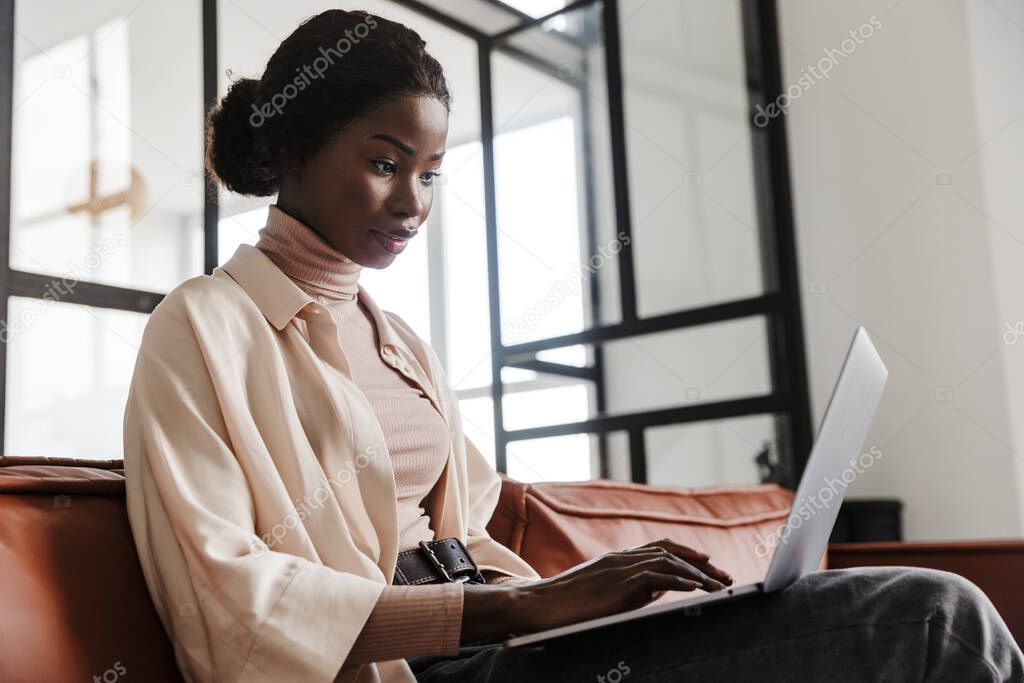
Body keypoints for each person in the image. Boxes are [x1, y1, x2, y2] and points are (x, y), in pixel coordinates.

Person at [122, 9, 1023, 683]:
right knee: (935, 619)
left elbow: (466, 533)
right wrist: (530, 604)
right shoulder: (202, 324)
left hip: (506, 642)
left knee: (916, 616)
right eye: (386, 162)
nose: (414, 202)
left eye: (432, 174)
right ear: (290, 147)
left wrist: (584, 597)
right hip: (423, 667)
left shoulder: (397, 342)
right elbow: (228, 603)